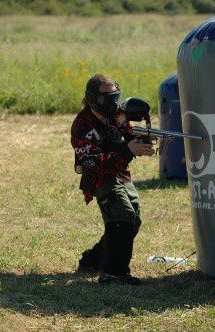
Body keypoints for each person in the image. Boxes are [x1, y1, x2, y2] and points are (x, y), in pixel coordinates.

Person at [70, 73, 154, 285]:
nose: (112, 103)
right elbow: (93, 161)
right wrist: (128, 151)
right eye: (105, 98)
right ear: (91, 98)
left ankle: (94, 260)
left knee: (133, 219)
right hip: (98, 176)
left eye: (114, 97)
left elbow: (126, 135)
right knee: (122, 216)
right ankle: (114, 273)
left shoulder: (117, 114)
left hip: (120, 173)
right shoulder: (82, 125)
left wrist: (142, 139)